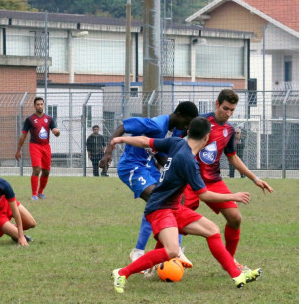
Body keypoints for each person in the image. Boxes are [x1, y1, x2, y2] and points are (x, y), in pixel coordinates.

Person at [110, 117, 262, 293]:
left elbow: (145, 141)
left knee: (212, 230)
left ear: (189, 132)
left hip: (173, 207)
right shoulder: (189, 161)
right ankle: (121, 273)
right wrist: (232, 196)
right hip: (160, 208)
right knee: (172, 250)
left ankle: (237, 275)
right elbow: (204, 195)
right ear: (206, 138)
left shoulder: (176, 143)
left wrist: (120, 139)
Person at [100, 101, 199, 272]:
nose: (188, 127)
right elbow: (123, 125)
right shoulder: (156, 124)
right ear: (179, 115)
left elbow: (160, 154)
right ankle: (138, 251)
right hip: (132, 167)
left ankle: (175, 250)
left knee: (179, 199)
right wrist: (108, 152)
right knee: (157, 200)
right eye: (188, 122)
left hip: (148, 167)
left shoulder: (174, 131)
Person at [182, 89, 273, 272]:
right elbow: (179, 144)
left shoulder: (229, 130)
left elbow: (232, 157)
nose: (228, 113)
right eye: (225, 108)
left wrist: (254, 178)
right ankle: (161, 259)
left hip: (213, 179)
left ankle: (229, 261)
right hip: (190, 180)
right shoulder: (200, 122)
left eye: (232, 110)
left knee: (235, 218)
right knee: (175, 221)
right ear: (217, 104)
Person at [15, 97, 61, 200]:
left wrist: (57, 132)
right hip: (35, 146)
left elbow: (55, 132)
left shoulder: (49, 119)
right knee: (37, 169)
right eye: (38, 104)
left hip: (46, 146)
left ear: (43, 105)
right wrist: (18, 150)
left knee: (46, 171)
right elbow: (23, 136)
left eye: (41, 104)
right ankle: (34, 194)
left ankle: (41, 192)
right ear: (34, 106)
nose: (40, 106)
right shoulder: (30, 119)